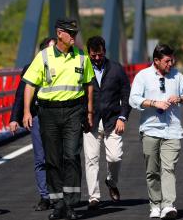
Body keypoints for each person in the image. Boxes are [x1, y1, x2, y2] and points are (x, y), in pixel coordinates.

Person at [22, 18, 95, 220]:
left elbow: (89, 85)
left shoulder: (82, 57)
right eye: (70, 33)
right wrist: (27, 111)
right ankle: (58, 204)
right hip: (48, 113)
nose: (74, 36)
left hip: (73, 111)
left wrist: (89, 113)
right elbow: (29, 84)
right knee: (52, 159)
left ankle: (71, 204)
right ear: (59, 33)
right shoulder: (43, 56)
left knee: (71, 156)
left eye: (75, 33)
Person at [129, 44, 183, 219]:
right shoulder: (143, 76)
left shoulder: (177, 76)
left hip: (172, 131)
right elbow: (133, 99)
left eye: (172, 60)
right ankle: (155, 204)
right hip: (150, 129)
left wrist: (180, 98)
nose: (170, 64)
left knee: (169, 168)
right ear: (156, 61)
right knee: (152, 170)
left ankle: (168, 205)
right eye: (167, 61)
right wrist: (153, 103)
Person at [82, 35, 131, 210]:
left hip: (112, 120)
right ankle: (94, 197)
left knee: (115, 157)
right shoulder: (82, 69)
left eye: (99, 55)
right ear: (88, 53)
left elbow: (127, 95)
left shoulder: (117, 69)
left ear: (104, 52)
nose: (96, 59)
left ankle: (111, 181)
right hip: (90, 122)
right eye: (93, 55)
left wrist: (123, 117)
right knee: (91, 159)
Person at [9, 36, 56, 211]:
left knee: (60, 158)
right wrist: (15, 117)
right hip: (38, 117)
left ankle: (60, 195)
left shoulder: (64, 66)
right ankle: (45, 197)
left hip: (59, 116)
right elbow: (21, 94)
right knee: (41, 159)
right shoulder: (30, 68)